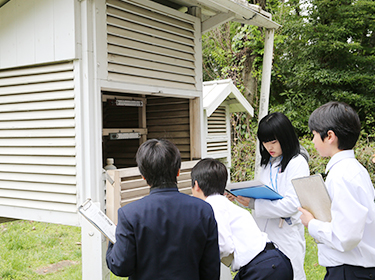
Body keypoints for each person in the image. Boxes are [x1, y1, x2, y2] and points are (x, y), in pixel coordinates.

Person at [106, 139, 221, 280]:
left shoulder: (130, 214)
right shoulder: (203, 210)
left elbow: (121, 266)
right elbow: (211, 269)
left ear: (143, 175)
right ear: (178, 171)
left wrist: (114, 240)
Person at [227, 112, 309, 280]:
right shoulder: (267, 164)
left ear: (285, 138)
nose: (269, 147)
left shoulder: (297, 163)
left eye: (273, 142)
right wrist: (240, 199)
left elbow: (292, 205)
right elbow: (258, 199)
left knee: (289, 274)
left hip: (285, 234)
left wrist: (254, 204)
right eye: (265, 142)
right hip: (263, 237)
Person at [299, 101, 375, 280]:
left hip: (349, 271)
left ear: (330, 136)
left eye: (315, 135)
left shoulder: (342, 175)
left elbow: (345, 237)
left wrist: (312, 223)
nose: (313, 141)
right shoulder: (354, 169)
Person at [191, 158, 293, 280]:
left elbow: (224, 246)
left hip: (264, 267)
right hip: (271, 262)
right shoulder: (222, 203)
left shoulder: (213, 204)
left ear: (196, 185)